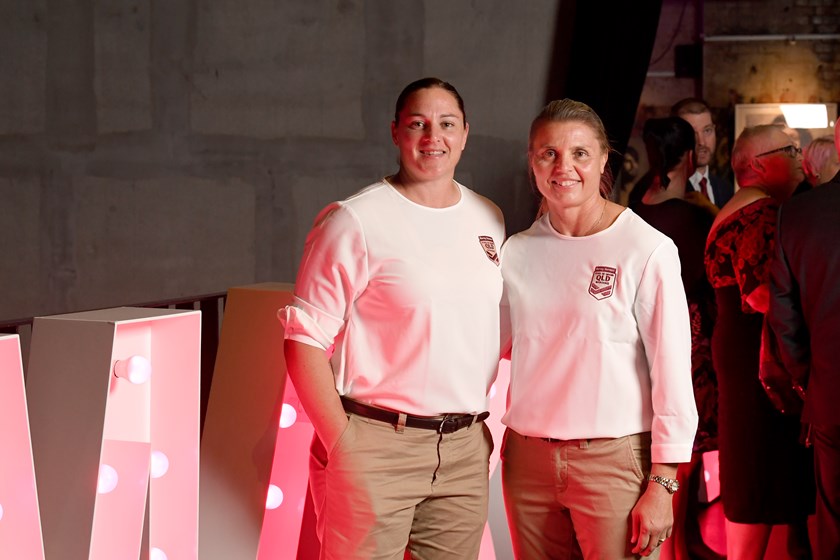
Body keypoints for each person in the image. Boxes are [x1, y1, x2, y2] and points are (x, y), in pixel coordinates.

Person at [280, 77, 504, 559]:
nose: (432, 137)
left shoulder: (489, 218)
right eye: (417, 124)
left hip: (464, 449)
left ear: (465, 133)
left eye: (446, 124)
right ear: (395, 132)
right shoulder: (354, 220)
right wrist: (343, 443)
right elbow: (302, 340)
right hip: (377, 442)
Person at [500, 99, 698, 559]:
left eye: (580, 154)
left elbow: (672, 374)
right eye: (548, 153)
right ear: (532, 161)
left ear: (605, 159)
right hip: (527, 463)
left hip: (613, 461)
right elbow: (490, 349)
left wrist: (663, 484)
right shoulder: (517, 251)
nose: (563, 167)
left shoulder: (646, 249)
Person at [704, 124, 815, 559]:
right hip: (756, 356)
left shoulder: (739, 208)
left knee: (759, 469)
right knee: (757, 469)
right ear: (756, 164)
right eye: (789, 150)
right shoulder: (759, 213)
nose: (798, 158)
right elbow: (760, 293)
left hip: (740, 349)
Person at [632, 117, 720, 557]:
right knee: (678, 454)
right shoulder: (694, 217)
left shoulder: (632, 206)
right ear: (689, 157)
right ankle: (677, 548)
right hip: (686, 345)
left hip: (635, 347)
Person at [767, 124, 840, 559]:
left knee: (832, 521)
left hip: (831, 393)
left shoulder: (800, 213)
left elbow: (784, 315)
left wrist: (806, 378)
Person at [671, 98, 735, 208]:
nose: (701, 142)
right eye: (691, 133)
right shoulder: (668, 190)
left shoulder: (726, 189)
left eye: (707, 130)